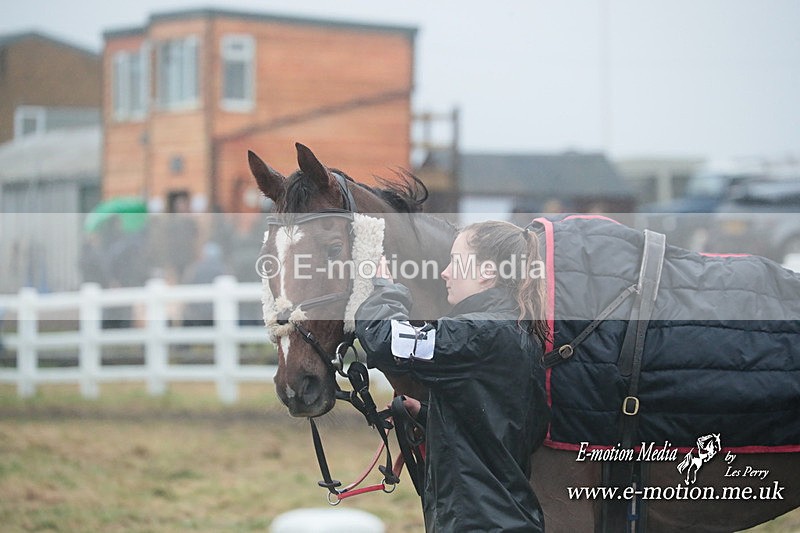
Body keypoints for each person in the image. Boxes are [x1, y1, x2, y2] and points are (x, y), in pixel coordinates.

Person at [355, 220, 550, 532]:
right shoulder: (514, 330)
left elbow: (386, 340)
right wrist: (429, 415)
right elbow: (497, 429)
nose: (445, 272)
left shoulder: (476, 333)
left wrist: (385, 290)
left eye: (455, 261)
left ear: (487, 272)